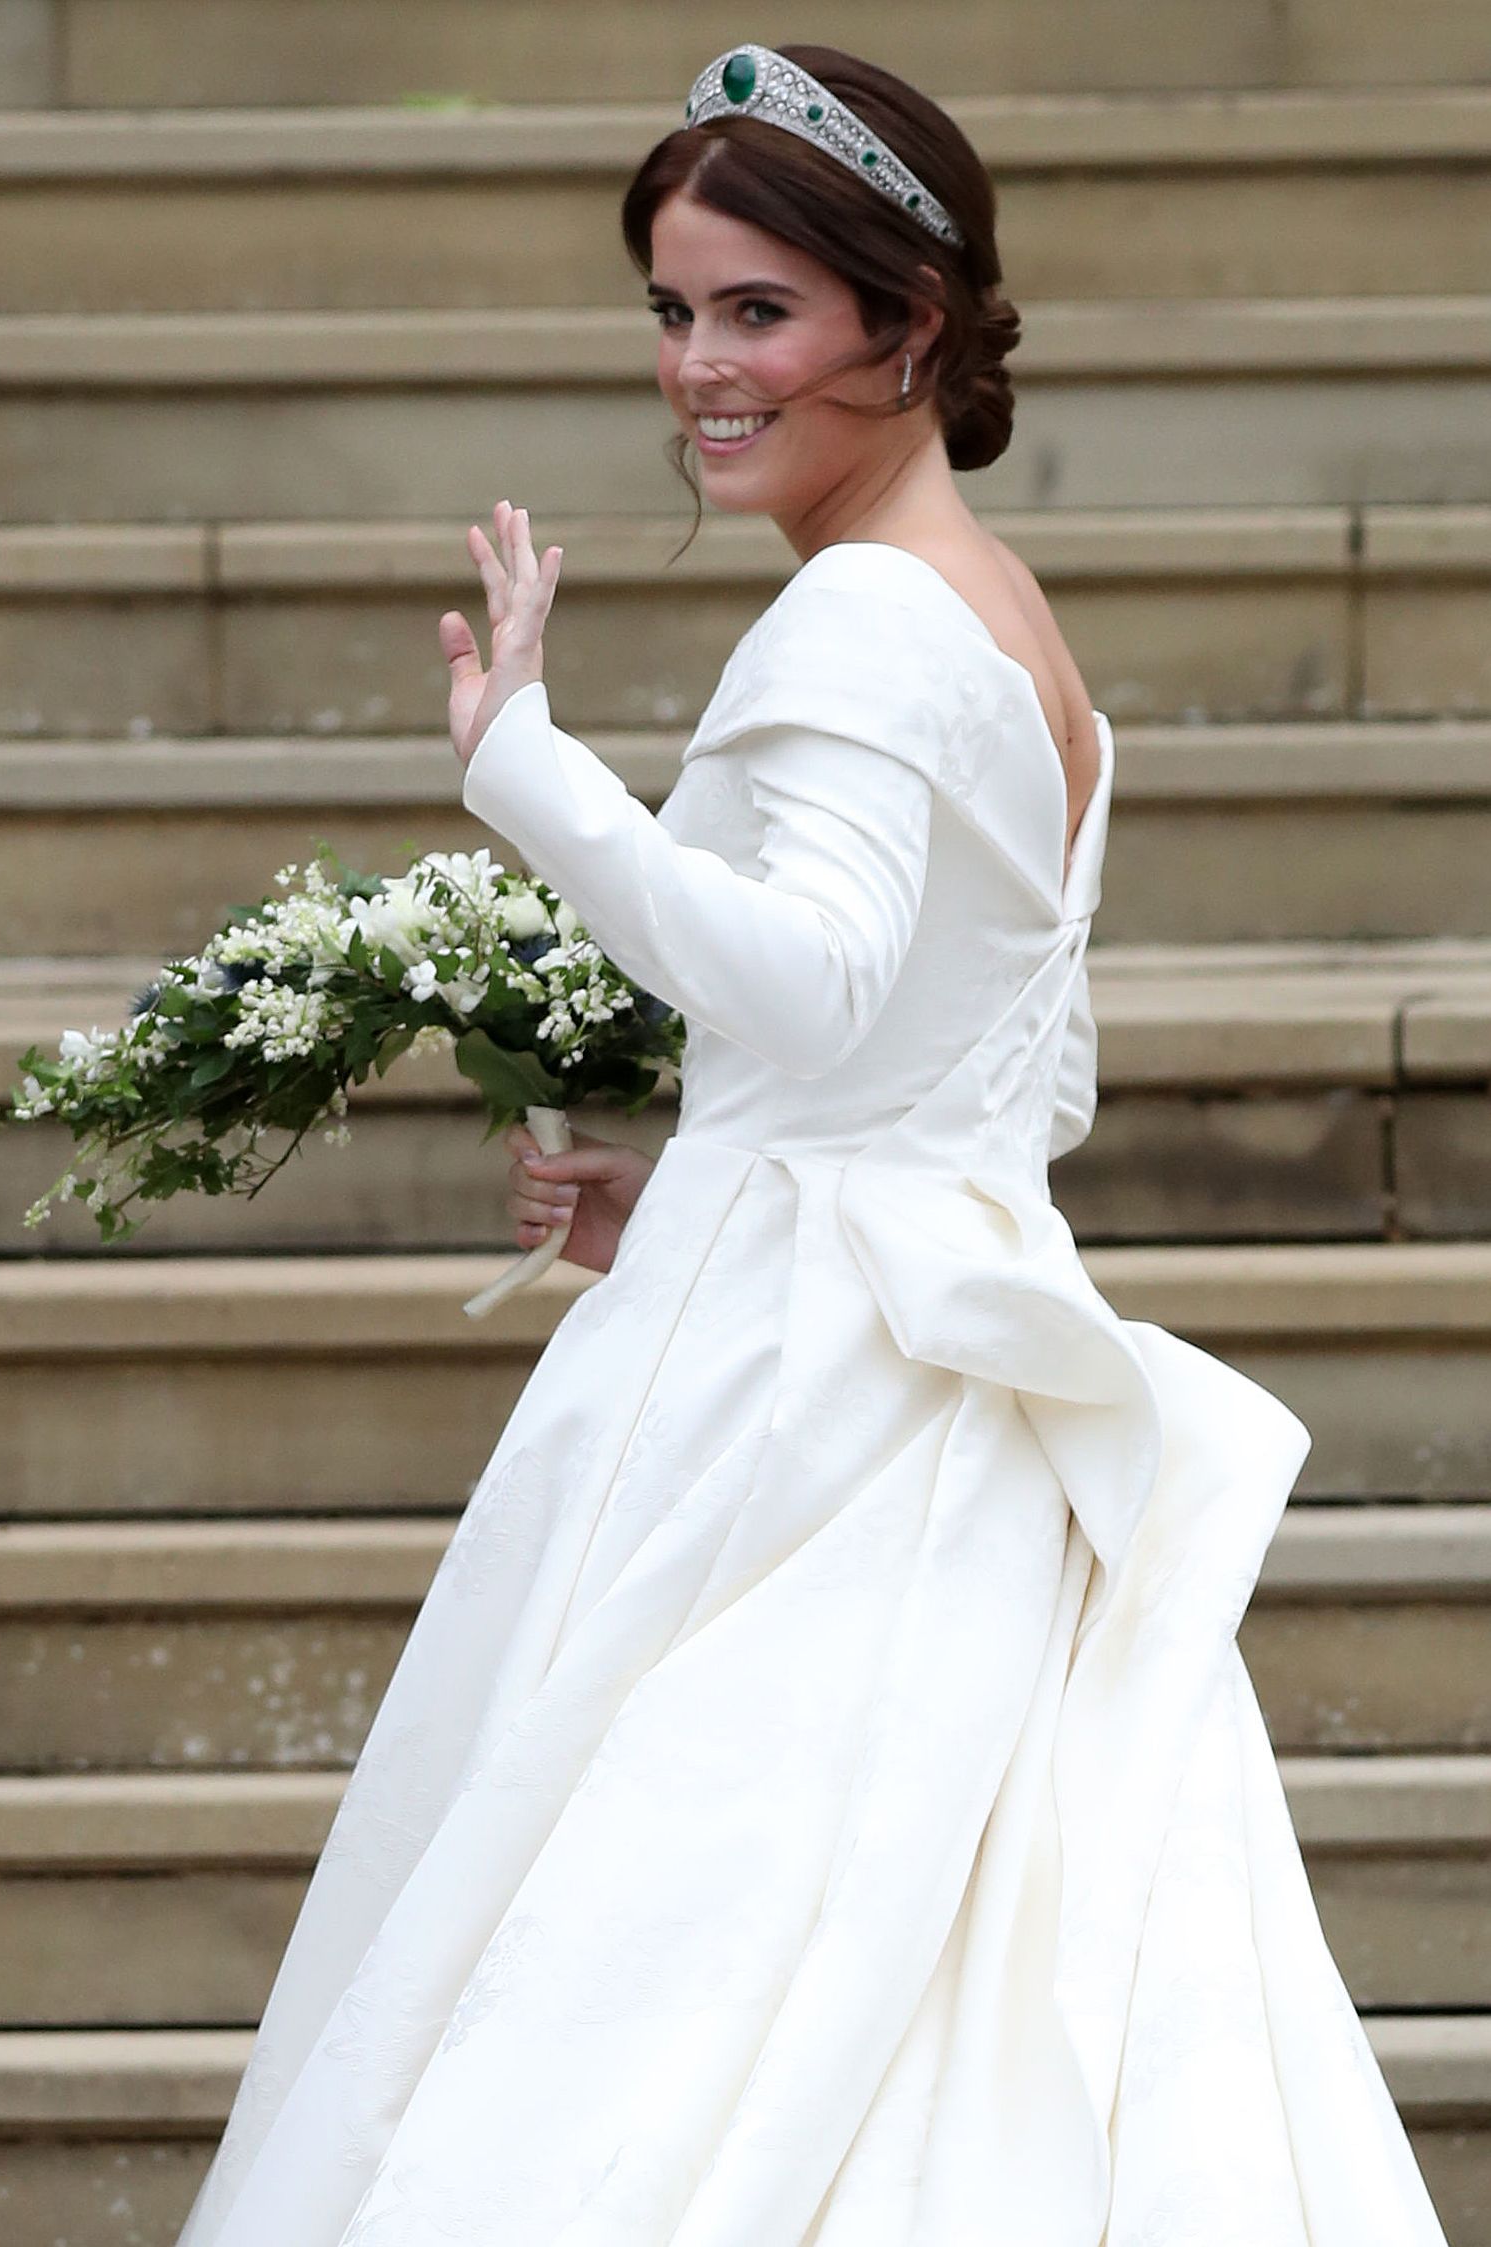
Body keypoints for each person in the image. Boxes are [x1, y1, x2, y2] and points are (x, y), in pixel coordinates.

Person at [175, 43, 1452, 2247]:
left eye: (753, 310)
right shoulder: (1008, 625)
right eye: (672, 313)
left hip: (797, 1414)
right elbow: (999, 1080)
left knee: (659, 1970)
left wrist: (529, 771)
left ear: (910, 323)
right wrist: (707, 1170)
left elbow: (820, 988)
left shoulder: (859, 620)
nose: (697, 368)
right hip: (923, 1349)